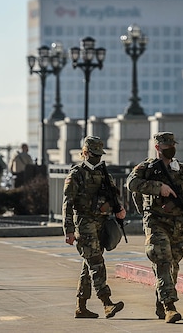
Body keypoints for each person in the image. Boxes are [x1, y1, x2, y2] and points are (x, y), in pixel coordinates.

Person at [127, 132, 183, 323]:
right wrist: (158, 188)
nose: (170, 149)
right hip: (156, 222)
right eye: (166, 146)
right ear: (157, 148)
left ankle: (160, 302)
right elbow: (131, 183)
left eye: (172, 145)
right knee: (162, 259)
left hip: (178, 225)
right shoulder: (147, 168)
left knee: (173, 266)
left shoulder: (182, 169)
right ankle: (170, 306)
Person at [63, 136, 126, 319]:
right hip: (84, 224)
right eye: (94, 154)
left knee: (88, 265)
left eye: (99, 154)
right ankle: (107, 303)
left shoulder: (104, 174)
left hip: (101, 224)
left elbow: (114, 195)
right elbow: (67, 204)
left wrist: (119, 208)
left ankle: (81, 307)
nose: (97, 158)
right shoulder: (76, 174)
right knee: (97, 262)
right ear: (85, 153)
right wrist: (68, 230)